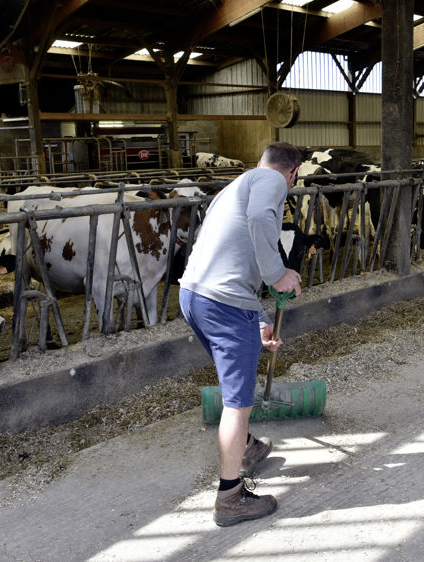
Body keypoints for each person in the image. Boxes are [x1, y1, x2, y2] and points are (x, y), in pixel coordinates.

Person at [178, 141, 304, 527]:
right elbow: (260, 220)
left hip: (194, 295)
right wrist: (277, 273)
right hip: (224, 305)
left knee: (235, 384)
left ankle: (246, 449)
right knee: (239, 403)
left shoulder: (233, 187)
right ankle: (230, 497)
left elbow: (230, 254)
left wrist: (260, 320)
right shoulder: (272, 181)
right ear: (293, 172)